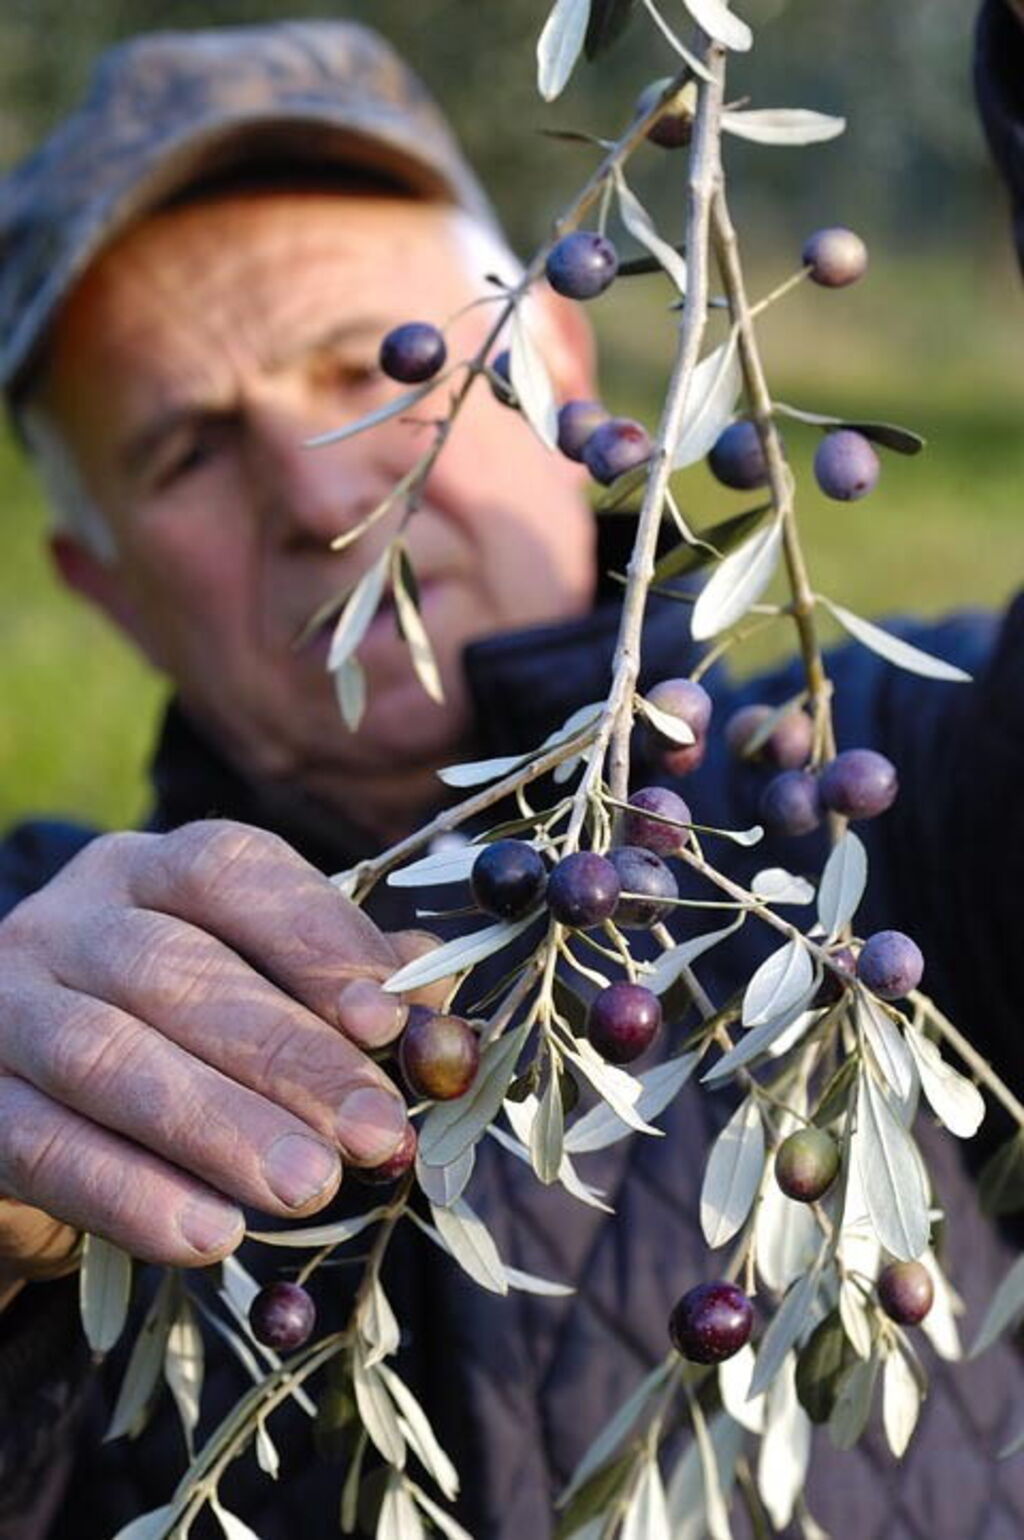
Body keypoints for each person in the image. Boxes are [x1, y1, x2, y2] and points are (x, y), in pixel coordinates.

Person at [0, 10, 1021, 1539]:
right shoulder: (56, 974)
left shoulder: (884, 774)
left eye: (372, 360)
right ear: (102, 584)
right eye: (189, 449)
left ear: (557, 351)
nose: (325, 480)